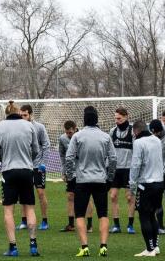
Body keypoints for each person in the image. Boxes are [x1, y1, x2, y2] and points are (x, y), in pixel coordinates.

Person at [65, 106, 116, 258]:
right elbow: (113, 159)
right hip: (100, 180)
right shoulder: (105, 136)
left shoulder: (77, 136)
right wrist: (110, 178)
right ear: (97, 119)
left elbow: (69, 158)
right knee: (103, 214)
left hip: (82, 180)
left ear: (84, 119)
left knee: (80, 214)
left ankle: (84, 247)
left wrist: (71, 177)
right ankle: (103, 247)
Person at [0, 102, 41, 257]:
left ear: (6, 113)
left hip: (9, 171)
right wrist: (28, 159)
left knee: (8, 210)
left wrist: (5, 158)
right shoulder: (29, 126)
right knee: (30, 208)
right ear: (19, 112)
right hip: (27, 170)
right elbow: (36, 150)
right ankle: (33, 245)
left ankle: (13, 247)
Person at [130, 120, 164, 257]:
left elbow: (136, 164)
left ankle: (149, 249)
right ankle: (155, 246)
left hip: (146, 184)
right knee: (152, 215)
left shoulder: (138, 142)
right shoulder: (157, 140)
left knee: (144, 216)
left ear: (136, 131)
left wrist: (132, 184)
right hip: (159, 183)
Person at [18, 104, 51, 231]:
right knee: (23, 194)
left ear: (31, 115)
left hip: (38, 166)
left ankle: (44, 220)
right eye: (21, 115)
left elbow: (46, 145)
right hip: (24, 166)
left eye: (25, 115)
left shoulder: (39, 127)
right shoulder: (18, 128)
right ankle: (24, 221)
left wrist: (43, 163)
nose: (23, 117)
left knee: (41, 193)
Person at [59, 120, 94, 233]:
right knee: (70, 196)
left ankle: (89, 225)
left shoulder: (83, 137)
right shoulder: (62, 139)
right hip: (71, 172)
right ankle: (71, 224)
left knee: (87, 197)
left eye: (70, 132)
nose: (69, 134)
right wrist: (64, 172)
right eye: (67, 132)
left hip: (84, 171)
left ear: (75, 129)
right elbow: (63, 156)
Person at [108, 108, 136, 234]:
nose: (117, 121)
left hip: (129, 169)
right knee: (113, 196)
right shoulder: (112, 131)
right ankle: (116, 225)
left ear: (126, 116)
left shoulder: (132, 132)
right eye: (115, 118)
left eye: (119, 118)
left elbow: (136, 151)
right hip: (115, 169)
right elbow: (109, 150)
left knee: (129, 197)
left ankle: (130, 225)